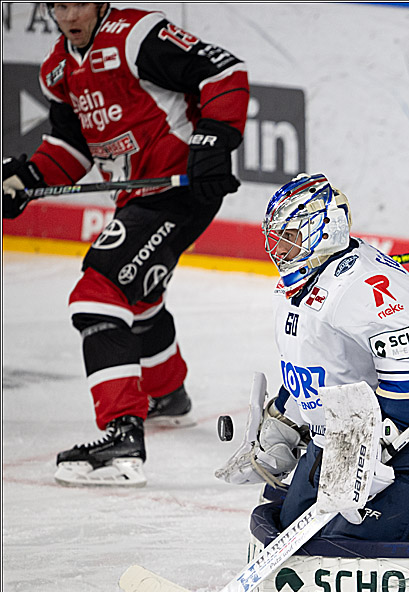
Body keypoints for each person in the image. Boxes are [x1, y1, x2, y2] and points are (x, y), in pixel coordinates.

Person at [2, 3, 249, 487]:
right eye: (58, 5)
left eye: (77, 3)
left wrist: (214, 142)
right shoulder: (59, 68)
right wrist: (29, 177)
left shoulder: (136, 35)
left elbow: (223, 70)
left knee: (98, 293)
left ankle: (121, 437)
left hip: (179, 190)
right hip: (138, 196)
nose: (68, 15)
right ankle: (167, 394)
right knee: (137, 293)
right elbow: (71, 149)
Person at [217, 173, 409, 540]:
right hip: (342, 443)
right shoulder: (298, 284)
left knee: (347, 550)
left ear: (326, 230)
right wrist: (286, 425)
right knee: (288, 537)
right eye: (275, 238)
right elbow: (323, 368)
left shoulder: (365, 288)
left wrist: (373, 445)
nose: (277, 249)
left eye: (289, 237)